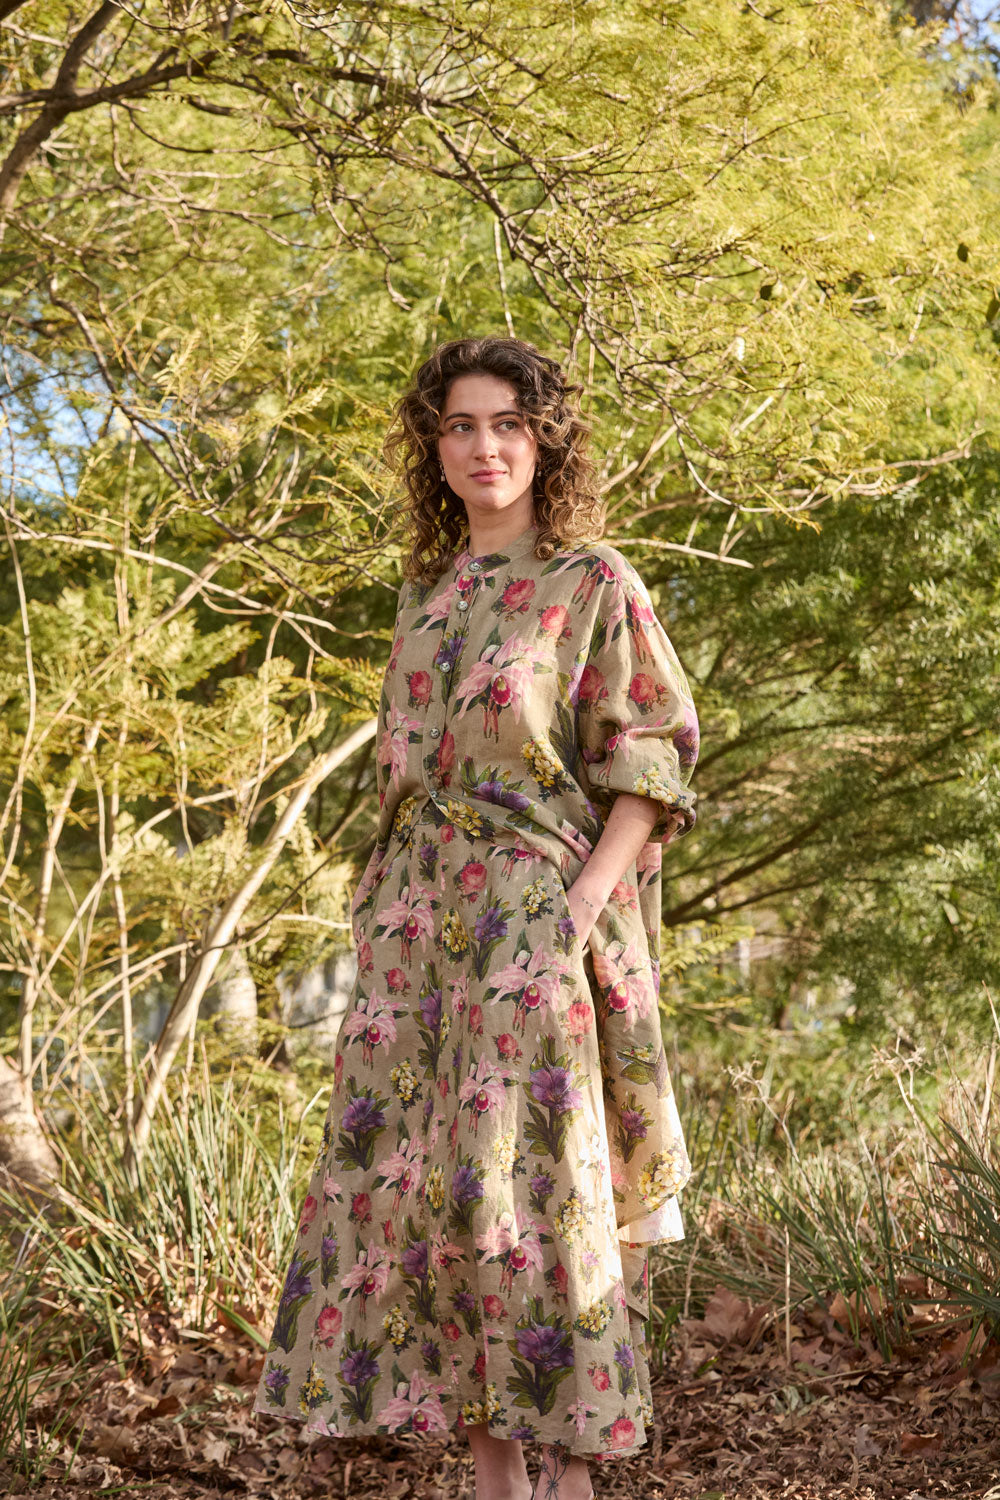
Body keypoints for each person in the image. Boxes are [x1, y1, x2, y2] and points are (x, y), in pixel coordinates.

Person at [253, 335, 700, 1500]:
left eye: (506, 423)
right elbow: (408, 773)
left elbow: (651, 760)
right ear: (434, 447)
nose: (483, 446)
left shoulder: (591, 579)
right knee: (427, 1194)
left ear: (544, 440)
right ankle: (495, 1476)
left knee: (538, 1185)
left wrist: (578, 906)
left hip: (530, 916)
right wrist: (376, 913)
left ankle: (572, 1471)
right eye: (459, 426)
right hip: (413, 929)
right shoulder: (428, 593)